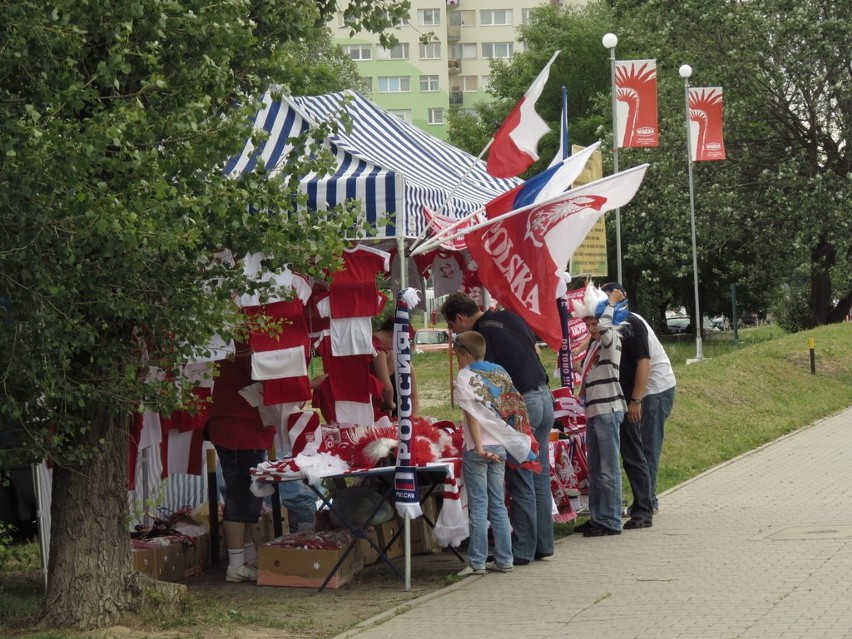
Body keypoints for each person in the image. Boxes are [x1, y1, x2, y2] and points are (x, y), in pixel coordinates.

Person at [440, 293, 554, 565]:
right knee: (539, 473)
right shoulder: (508, 316)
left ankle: (523, 549)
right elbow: (536, 351)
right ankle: (543, 544)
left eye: (453, 328)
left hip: (521, 403)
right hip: (544, 396)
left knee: (522, 478)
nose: (455, 333)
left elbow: (483, 385)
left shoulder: (481, 336)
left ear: (460, 318)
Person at [453, 330, 531, 576]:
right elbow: (514, 406)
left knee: (478, 506)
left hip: (479, 447)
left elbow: (472, 414)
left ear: (465, 355)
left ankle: (476, 562)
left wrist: (478, 447)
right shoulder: (499, 372)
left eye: (457, 356)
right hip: (500, 443)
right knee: (498, 503)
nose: (457, 361)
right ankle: (505, 558)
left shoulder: (465, 377)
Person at [601, 282, 676, 519]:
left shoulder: (632, 323)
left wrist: (636, 400)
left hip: (654, 390)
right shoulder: (615, 323)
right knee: (638, 448)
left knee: (646, 448)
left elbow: (645, 363)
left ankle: (647, 502)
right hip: (640, 392)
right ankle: (645, 500)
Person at [205, 342, 276, 582]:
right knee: (239, 494)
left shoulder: (233, 345)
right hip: (239, 427)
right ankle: (236, 563)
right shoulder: (246, 347)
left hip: (240, 426)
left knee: (248, 496)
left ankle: (246, 556)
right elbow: (267, 378)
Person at [573, 284, 629, 537]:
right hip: (595, 411)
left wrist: (611, 303)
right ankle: (598, 516)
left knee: (608, 468)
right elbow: (593, 375)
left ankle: (611, 519)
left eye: (594, 323)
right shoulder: (594, 346)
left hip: (608, 408)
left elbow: (606, 327)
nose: (592, 329)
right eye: (588, 325)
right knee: (595, 468)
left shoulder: (611, 337)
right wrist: (575, 368)